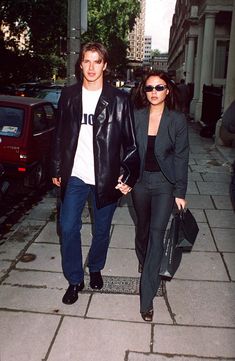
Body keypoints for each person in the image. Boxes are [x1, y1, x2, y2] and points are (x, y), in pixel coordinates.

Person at [51, 42, 139, 305]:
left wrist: (128, 177)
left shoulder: (119, 100)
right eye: (86, 61)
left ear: (105, 65)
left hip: (106, 177)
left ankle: (96, 267)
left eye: (96, 61)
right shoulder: (68, 95)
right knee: (67, 228)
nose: (91, 67)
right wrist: (56, 167)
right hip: (75, 174)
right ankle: (75, 279)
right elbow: (59, 135)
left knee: (101, 231)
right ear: (81, 65)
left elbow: (132, 143)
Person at [132, 70, 189, 321]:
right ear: (144, 92)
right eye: (149, 88)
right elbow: (126, 151)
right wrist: (124, 179)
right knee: (142, 231)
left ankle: (147, 298)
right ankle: (145, 262)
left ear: (168, 90)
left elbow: (181, 157)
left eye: (159, 87)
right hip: (140, 184)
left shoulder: (176, 120)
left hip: (165, 184)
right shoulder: (136, 117)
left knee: (157, 235)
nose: (154, 92)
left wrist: (180, 191)